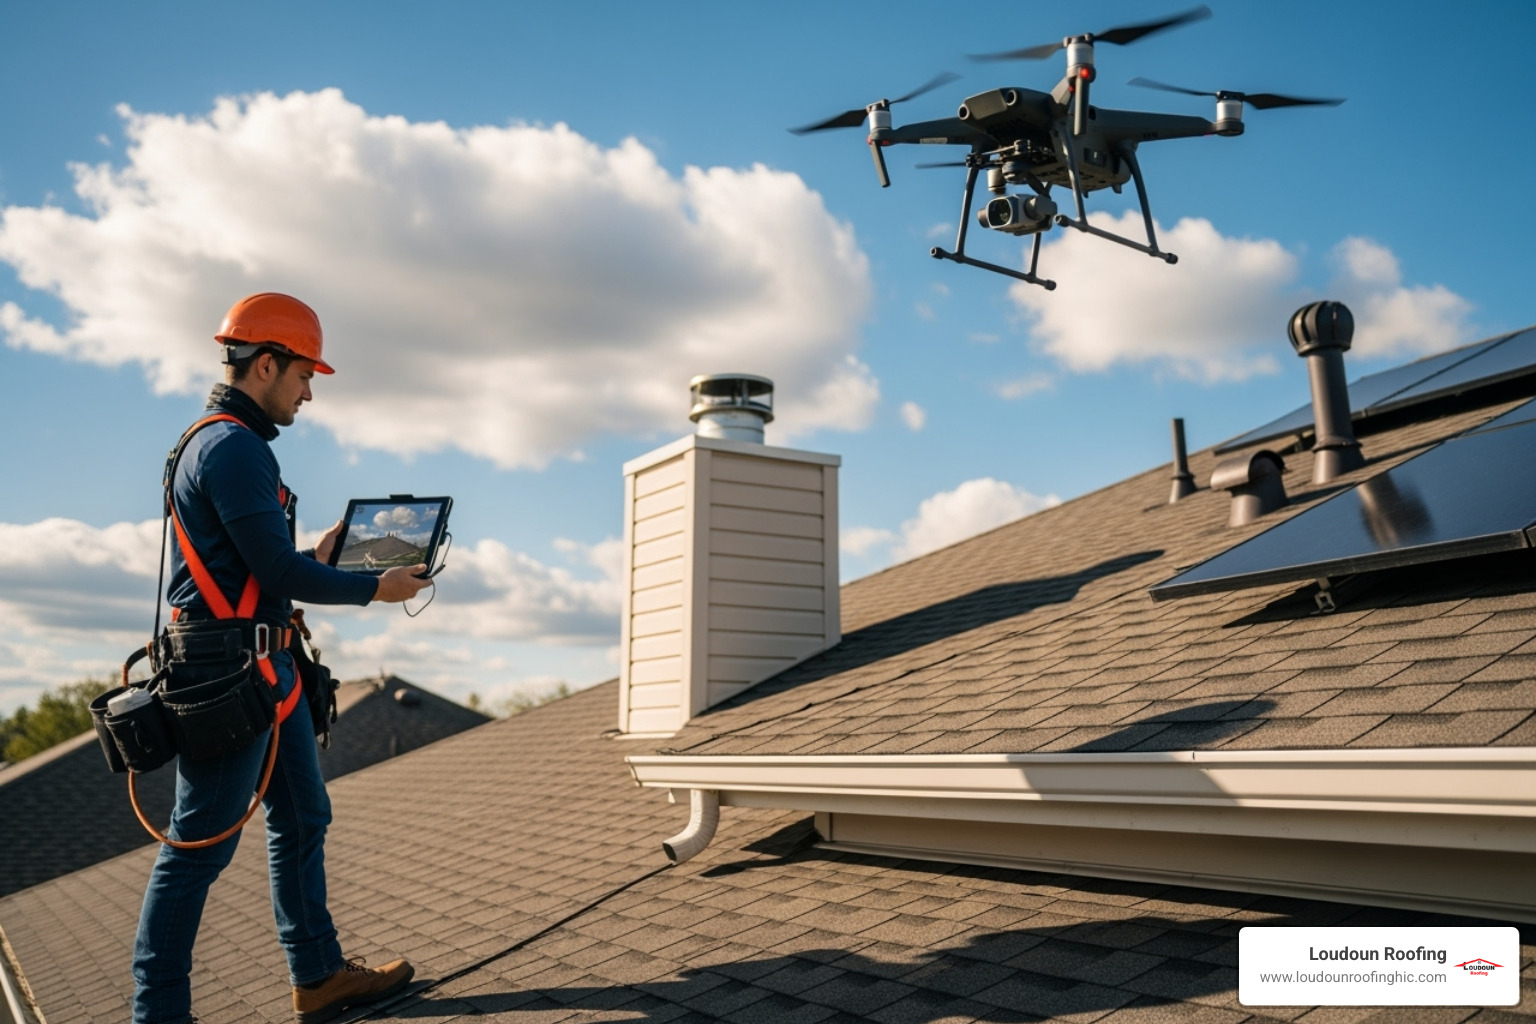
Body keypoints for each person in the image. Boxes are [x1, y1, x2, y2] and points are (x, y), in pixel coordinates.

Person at [132, 293, 433, 1024]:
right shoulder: (233, 446)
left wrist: (319, 554)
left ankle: (319, 975)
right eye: (303, 375)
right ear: (263, 364)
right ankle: (157, 1013)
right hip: (228, 675)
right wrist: (374, 586)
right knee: (198, 846)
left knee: (302, 817)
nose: (307, 392)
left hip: (263, 665)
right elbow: (277, 575)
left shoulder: (222, 443)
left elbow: (259, 569)